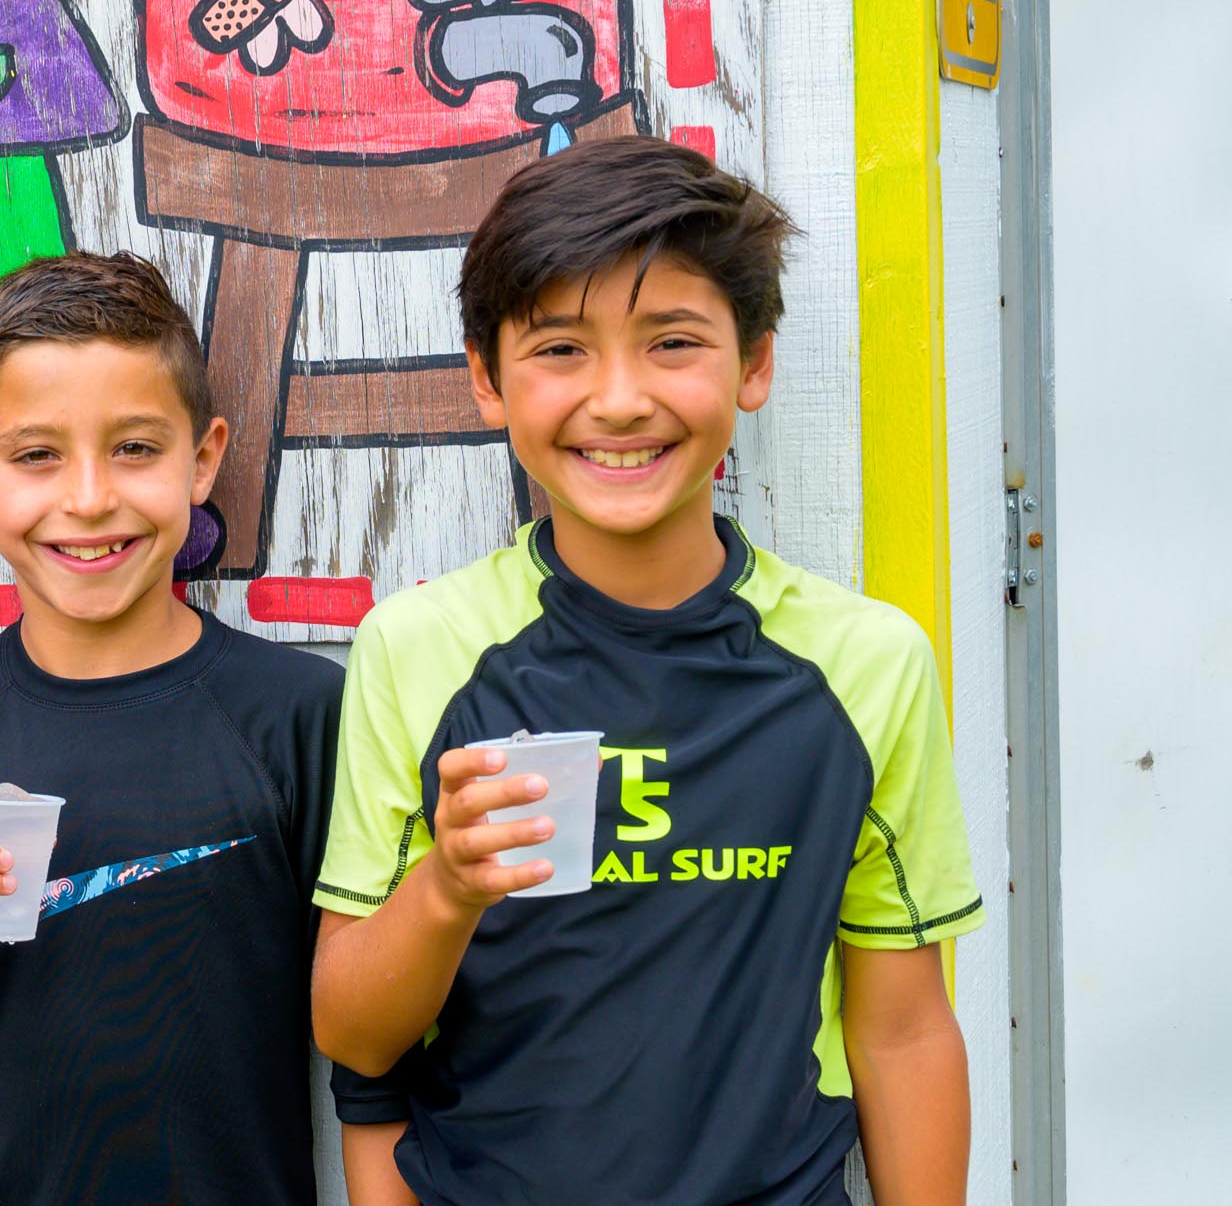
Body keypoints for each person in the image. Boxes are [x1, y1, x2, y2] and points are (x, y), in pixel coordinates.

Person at [308, 136, 985, 1205]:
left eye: (671, 341)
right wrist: (447, 885)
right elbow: (350, 1031)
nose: (618, 400)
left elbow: (900, 1029)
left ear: (751, 363)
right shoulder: (420, 647)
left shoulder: (864, 663)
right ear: (486, 380)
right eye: (560, 350)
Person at [0, 251, 402, 1204]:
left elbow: (371, 1039)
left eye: (135, 449)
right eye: (36, 455)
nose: (88, 498)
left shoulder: (299, 713)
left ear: (203, 458)